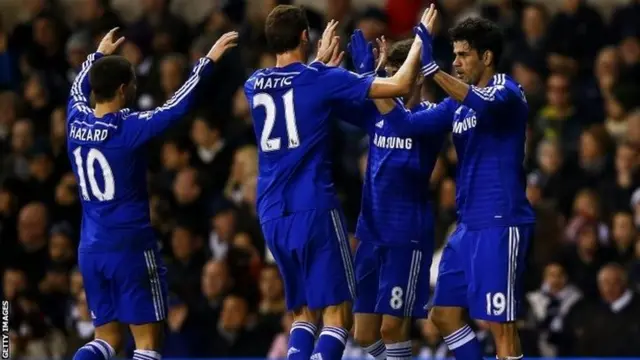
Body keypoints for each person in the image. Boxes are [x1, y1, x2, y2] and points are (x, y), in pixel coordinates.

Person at [243, 4, 425, 360]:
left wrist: (319, 65)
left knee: (303, 313)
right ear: (304, 37)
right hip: (311, 206)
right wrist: (422, 37)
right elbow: (401, 85)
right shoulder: (321, 79)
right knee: (338, 314)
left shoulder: (254, 83)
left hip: (269, 212)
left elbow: (296, 85)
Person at [67, 28, 238, 360]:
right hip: (130, 247)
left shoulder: (75, 117)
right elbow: (175, 107)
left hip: (91, 249)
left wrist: (97, 55)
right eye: (131, 82)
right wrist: (206, 62)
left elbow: (77, 85)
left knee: (107, 340)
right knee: (147, 342)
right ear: (123, 88)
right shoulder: (127, 129)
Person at [377, 14, 536, 360]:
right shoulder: (455, 105)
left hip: (500, 221)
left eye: (463, 54)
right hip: (466, 227)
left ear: (487, 57)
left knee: (500, 326)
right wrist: (376, 83)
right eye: (454, 54)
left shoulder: (508, 91)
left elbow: (482, 103)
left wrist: (434, 70)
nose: (457, 61)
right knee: (443, 315)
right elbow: (405, 124)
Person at [339, 25, 442, 360]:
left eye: (396, 75)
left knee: (391, 328)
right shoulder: (375, 112)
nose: (390, 83)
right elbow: (336, 103)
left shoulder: (432, 115)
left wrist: (369, 76)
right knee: (364, 332)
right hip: (371, 234)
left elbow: (402, 123)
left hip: (406, 236)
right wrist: (356, 76)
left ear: (415, 77)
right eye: (387, 76)